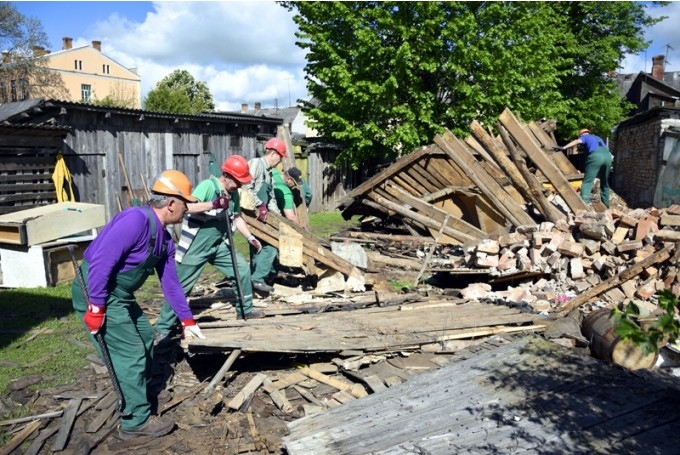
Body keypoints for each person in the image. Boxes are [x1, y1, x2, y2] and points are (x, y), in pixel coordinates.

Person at [71, 170, 206, 440]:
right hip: (97, 290)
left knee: (145, 336)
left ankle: (139, 392)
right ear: (171, 203)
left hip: (119, 295)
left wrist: (188, 320)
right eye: (185, 204)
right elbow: (100, 263)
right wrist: (96, 308)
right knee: (130, 352)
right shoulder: (135, 220)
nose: (188, 210)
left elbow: (171, 284)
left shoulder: (165, 241)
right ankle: (135, 421)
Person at [154, 155, 265, 342]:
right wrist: (213, 204)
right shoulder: (208, 186)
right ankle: (163, 327)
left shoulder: (234, 194)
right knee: (182, 286)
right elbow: (187, 207)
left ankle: (245, 310)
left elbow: (236, 216)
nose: (239, 185)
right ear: (226, 176)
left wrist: (250, 237)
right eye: (238, 181)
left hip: (218, 243)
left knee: (242, 270)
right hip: (197, 244)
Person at [245, 138, 286, 293]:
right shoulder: (256, 164)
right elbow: (247, 187)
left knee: (257, 246)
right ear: (274, 154)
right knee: (271, 246)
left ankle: (253, 281)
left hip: (261, 215)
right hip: (251, 213)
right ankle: (258, 279)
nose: (280, 161)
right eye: (281, 157)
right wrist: (259, 204)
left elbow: (271, 199)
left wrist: (279, 219)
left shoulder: (269, 173)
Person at [559, 128, 613, 208]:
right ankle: (606, 206)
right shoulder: (598, 138)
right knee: (604, 183)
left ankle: (584, 205)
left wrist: (563, 147)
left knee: (588, 181)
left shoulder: (585, 137)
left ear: (581, 135)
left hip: (596, 156)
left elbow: (577, 141)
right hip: (608, 157)